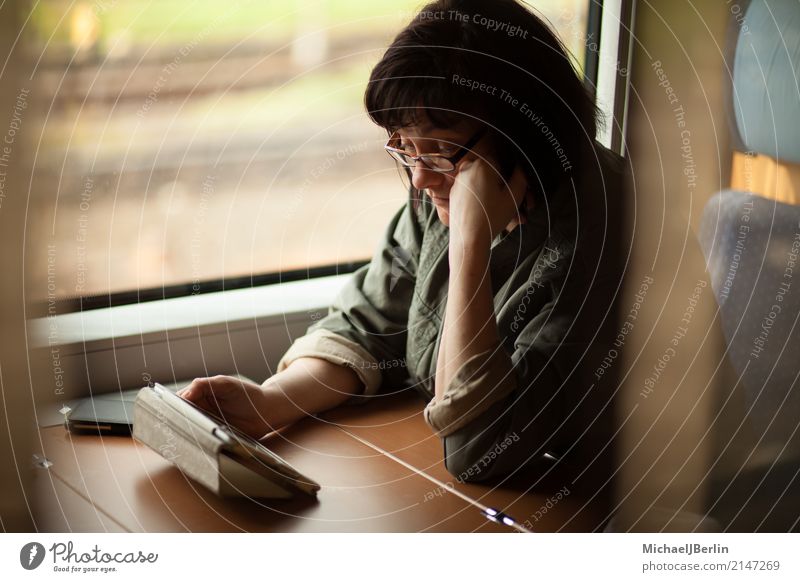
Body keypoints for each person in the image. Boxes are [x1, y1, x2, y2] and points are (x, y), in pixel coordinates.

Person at [179, 0, 623, 493]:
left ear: (522, 134)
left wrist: (469, 248)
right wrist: (272, 401)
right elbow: (366, 324)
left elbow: (480, 448)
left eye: (436, 151)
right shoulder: (436, 194)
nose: (419, 176)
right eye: (405, 147)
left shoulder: (604, 238)